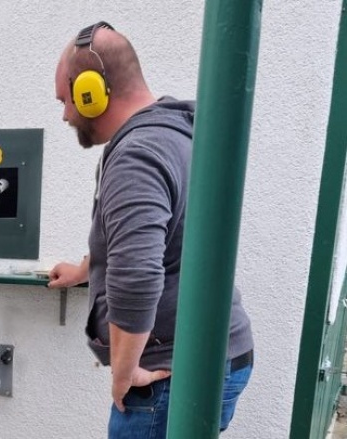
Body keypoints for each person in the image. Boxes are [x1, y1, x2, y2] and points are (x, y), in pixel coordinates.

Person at [48, 22, 254, 437]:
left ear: (92, 92)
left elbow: (139, 274)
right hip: (213, 356)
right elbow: (152, 236)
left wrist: (124, 373)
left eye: (67, 101)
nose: (66, 114)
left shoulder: (136, 156)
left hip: (166, 375)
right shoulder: (175, 132)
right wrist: (85, 269)